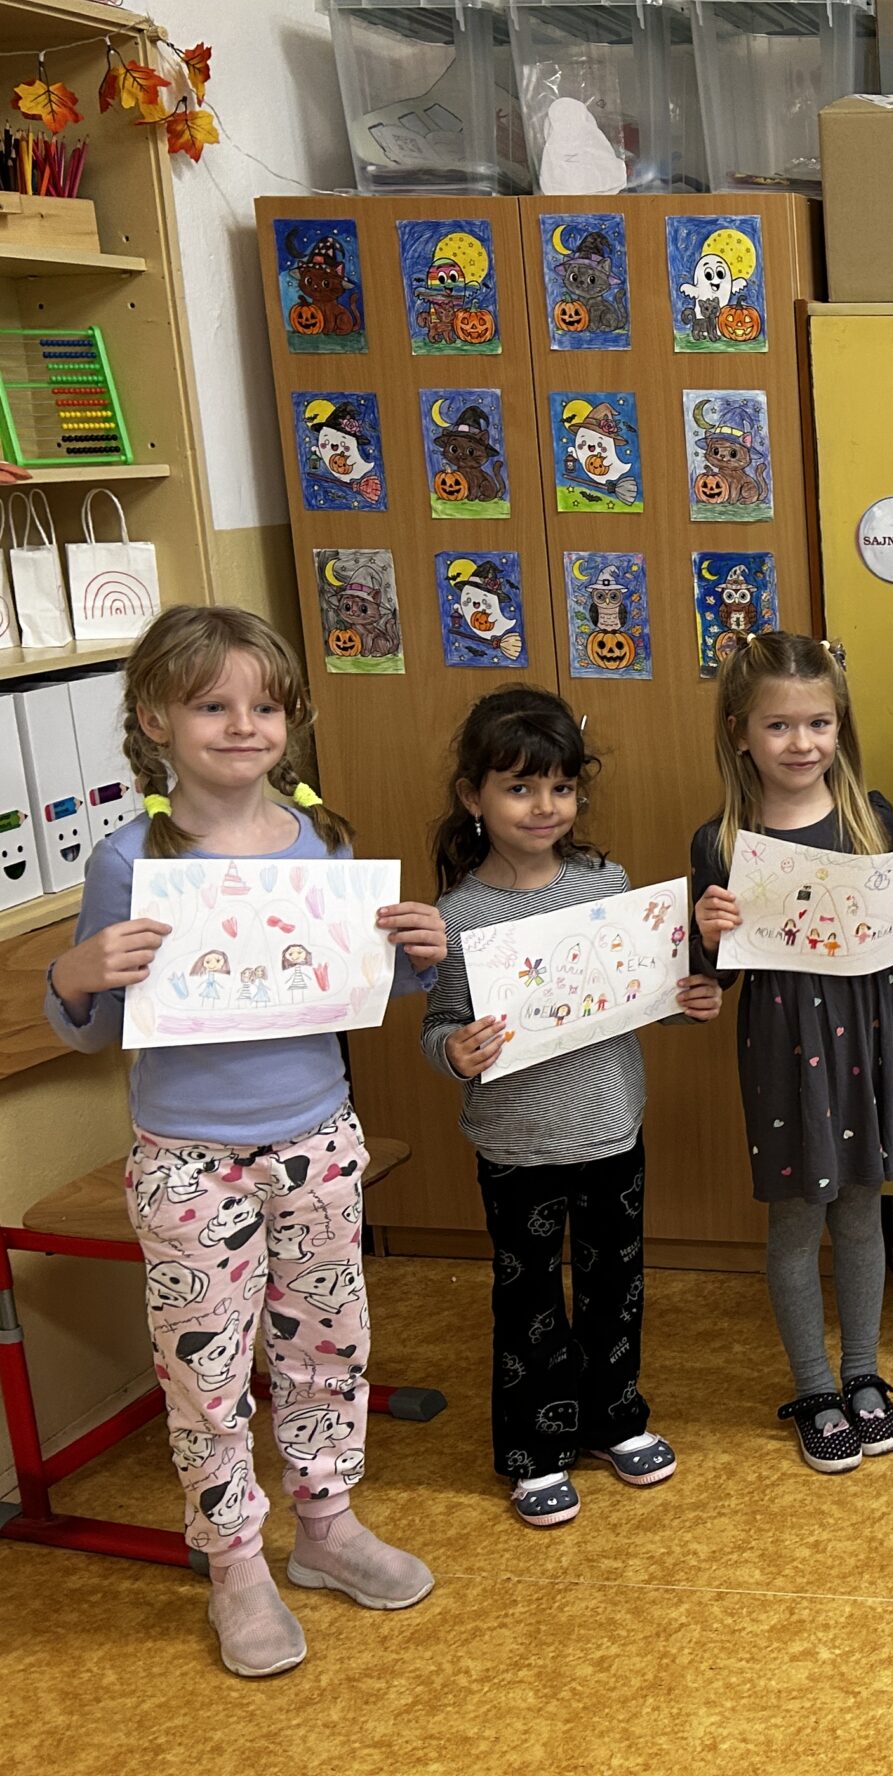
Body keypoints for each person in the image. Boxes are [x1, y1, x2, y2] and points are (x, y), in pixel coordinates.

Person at [43, 605, 446, 1677]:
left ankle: (326, 1526)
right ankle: (234, 1564)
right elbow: (90, 1022)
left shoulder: (325, 841)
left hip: (316, 1140)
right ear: (154, 722)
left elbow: (358, 985)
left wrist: (420, 953)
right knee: (206, 1374)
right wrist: (73, 976)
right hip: (187, 1159)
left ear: (290, 722)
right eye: (212, 706)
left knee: (329, 1347)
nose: (242, 726)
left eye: (265, 707)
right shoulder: (130, 860)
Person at [422, 687, 718, 1526]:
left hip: (610, 1125)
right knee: (527, 1302)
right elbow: (440, 1023)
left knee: (614, 1286)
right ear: (473, 797)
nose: (544, 805)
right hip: (516, 1141)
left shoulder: (606, 884)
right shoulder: (457, 914)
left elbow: (638, 992)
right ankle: (535, 1449)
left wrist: (687, 999)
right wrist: (451, 1051)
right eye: (519, 787)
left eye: (560, 786)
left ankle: (613, 1419)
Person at [693, 635, 893, 1470]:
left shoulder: (868, 817)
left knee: (861, 1208)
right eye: (779, 726)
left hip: (867, 1032)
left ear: (840, 725)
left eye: (818, 723)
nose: (801, 743)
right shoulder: (721, 840)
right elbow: (711, 976)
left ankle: (863, 1373)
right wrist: (706, 935)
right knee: (796, 1218)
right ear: (740, 732)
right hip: (783, 1044)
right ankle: (814, 1386)